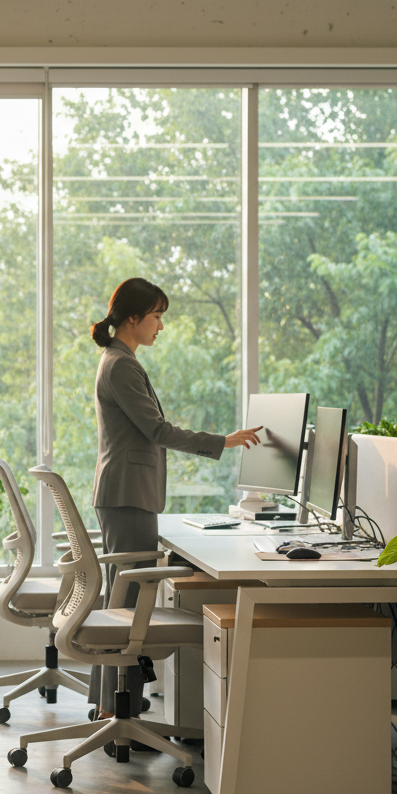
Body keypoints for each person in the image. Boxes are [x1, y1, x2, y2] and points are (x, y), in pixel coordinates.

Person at [88, 277, 262, 721]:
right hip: (128, 494)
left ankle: (110, 704)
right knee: (126, 602)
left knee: (121, 598)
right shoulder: (122, 365)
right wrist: (222, 441)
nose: (160, 326)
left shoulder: (119, 360)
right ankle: (114, 711)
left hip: (126, 492)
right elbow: (158, 431)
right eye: (157, 316)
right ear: (134, 318)